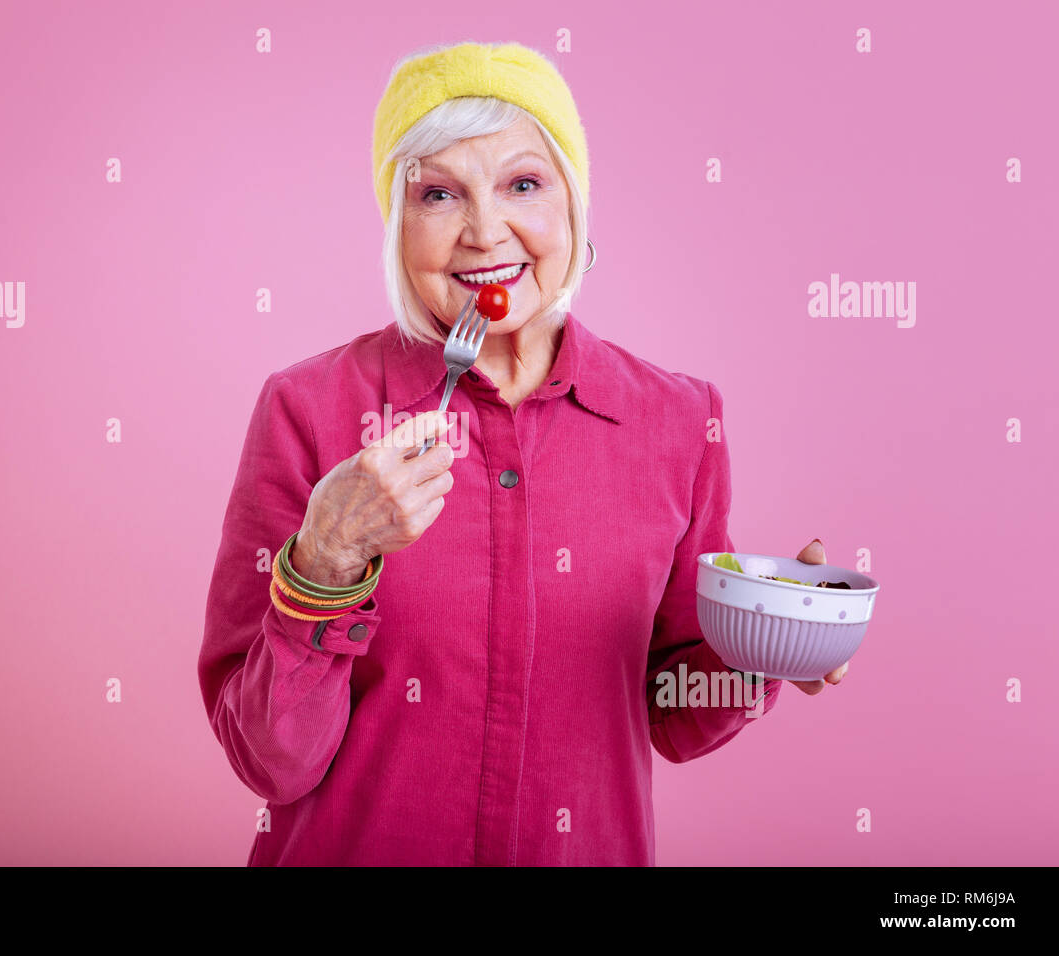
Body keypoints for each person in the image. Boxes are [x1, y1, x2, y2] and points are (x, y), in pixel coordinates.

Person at [198, 40, 847, 866]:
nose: (485, 232)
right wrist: (324, 562)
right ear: (400, 228)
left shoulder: (681, 421)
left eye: (524, 184)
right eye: (439, 194)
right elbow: (270, 760)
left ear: (573, 208)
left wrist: (762, 648)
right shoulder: (308, 410)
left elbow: (673, 717)